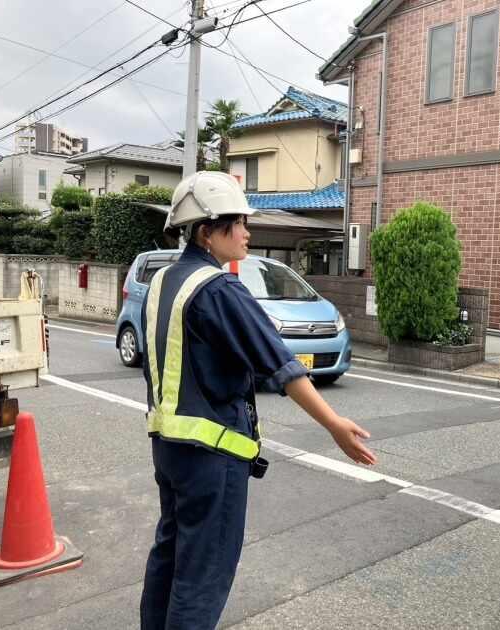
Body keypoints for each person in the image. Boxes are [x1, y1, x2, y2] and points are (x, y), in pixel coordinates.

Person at [139, 171, 377, 630]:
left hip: (168, 448)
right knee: (202, 574)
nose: (247, 232)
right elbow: (280, 364)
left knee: (169, 554)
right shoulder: (219, 289)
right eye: (238, 223)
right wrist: (334, 424)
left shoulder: (162, 281)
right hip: (212, 456)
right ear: (207, 232)